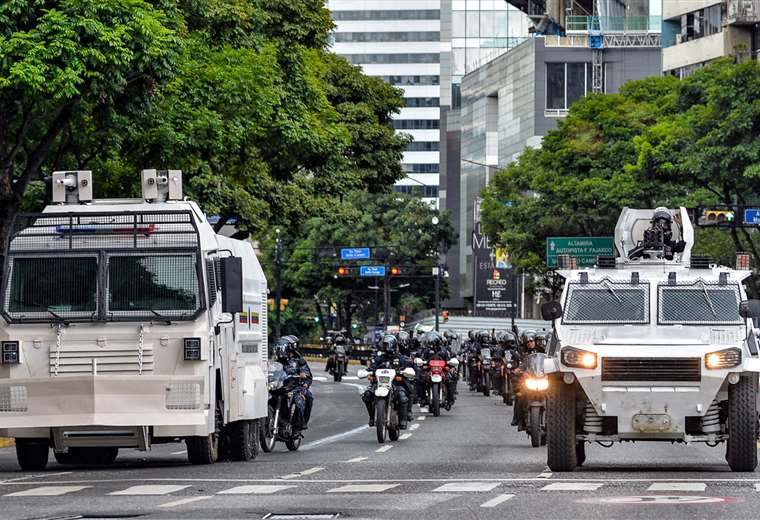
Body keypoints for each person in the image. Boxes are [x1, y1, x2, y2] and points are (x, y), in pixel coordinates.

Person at [361, 335, 411, 429]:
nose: (388, 347)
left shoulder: (400, 358)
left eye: (389, 345)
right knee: (367, 395)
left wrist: (402, 373)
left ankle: (402, 420)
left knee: (402, 397)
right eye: (386, 345)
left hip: (395, 384)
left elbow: (405, 368)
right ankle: (372, 417)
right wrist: (370, 372)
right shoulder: (379, 358)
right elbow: (372, 367)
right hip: (379, 384)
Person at [275, 335, 313, 430]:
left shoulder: (299, 360)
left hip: (296, 387)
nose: (281, 351)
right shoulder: (276, 362)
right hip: (280, 387)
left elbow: (308, 376)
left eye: (283, 348)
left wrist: (304, 381)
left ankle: (301, 422)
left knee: (306, 397)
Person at [511, 330, 538, 428]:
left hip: (541, 377)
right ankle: (518, 419)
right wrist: (518, 370)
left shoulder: (542, 351)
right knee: (520, 396)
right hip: (528, 378)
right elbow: (520, 366)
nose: (530, 344)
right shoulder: (522, 352)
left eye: (532, 341)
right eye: (528, 342)